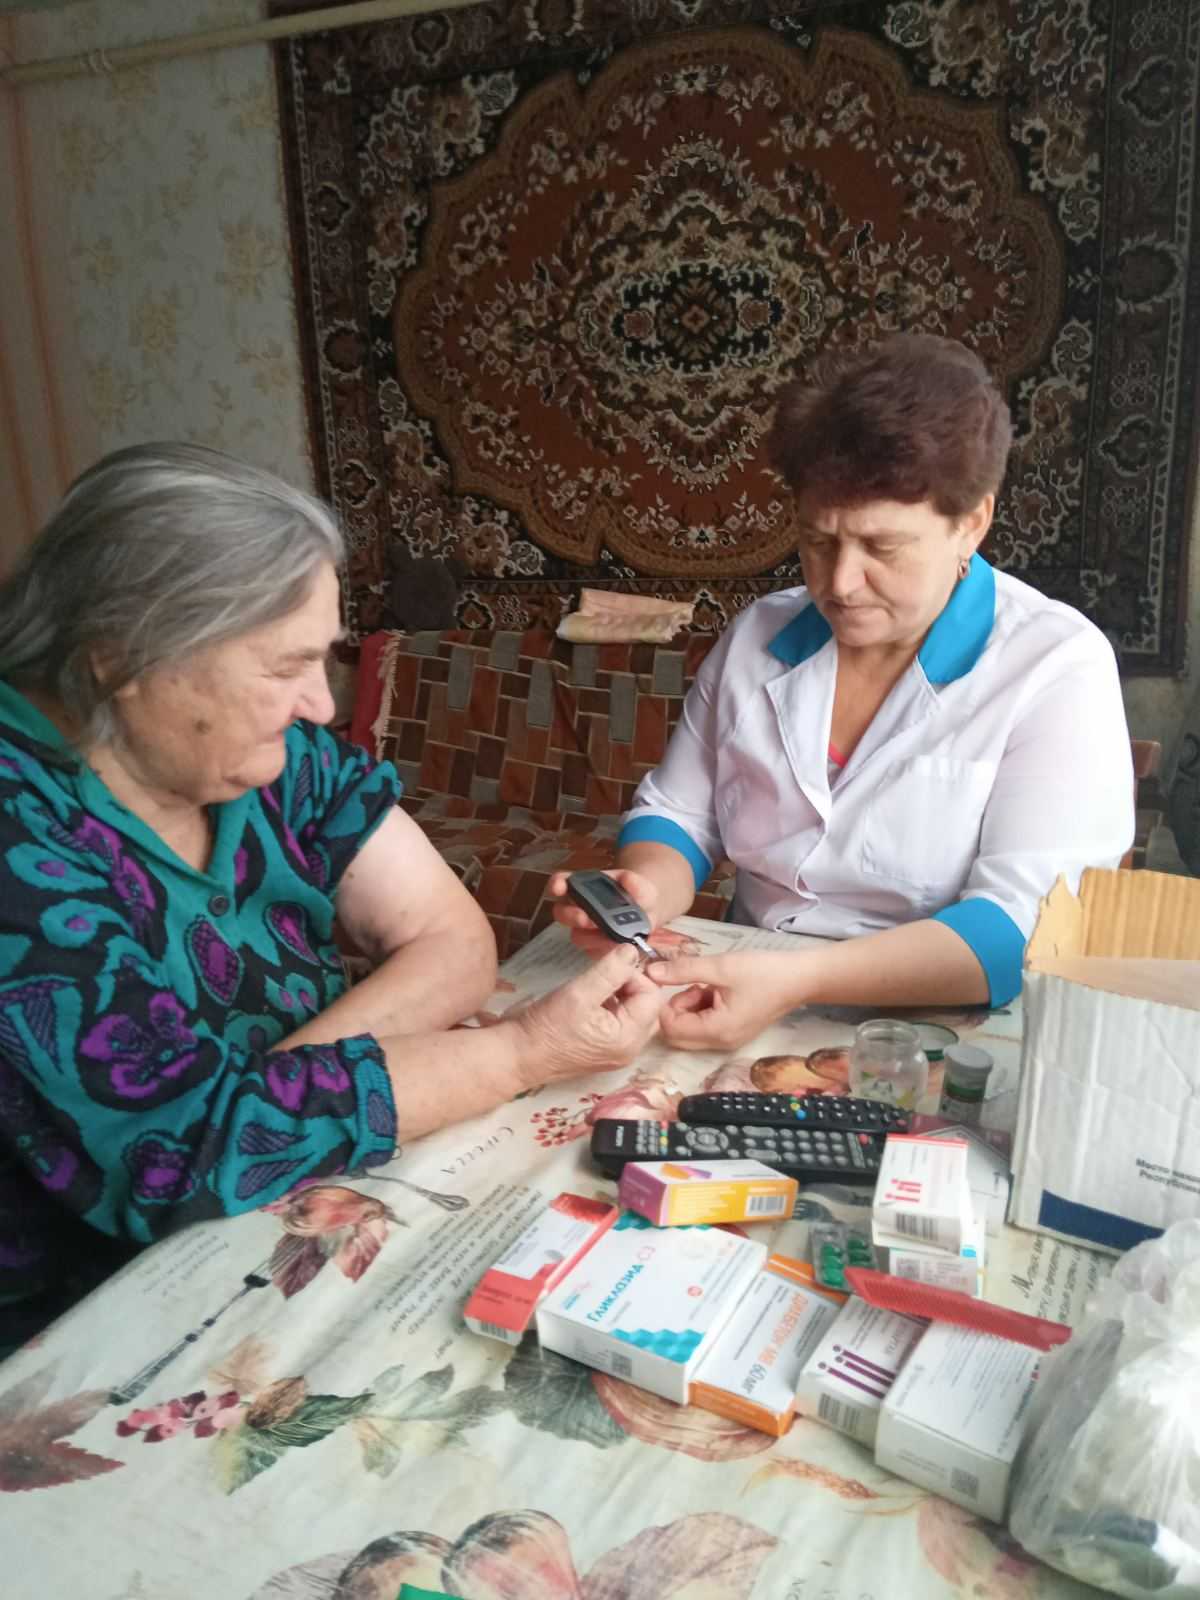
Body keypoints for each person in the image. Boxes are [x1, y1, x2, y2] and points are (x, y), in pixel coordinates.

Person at [0, 444, 659, 1342]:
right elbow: (177, 1163)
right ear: (123, 656)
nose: (319, 703)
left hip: (276, 1207)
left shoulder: (278, 758)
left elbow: (451, 938)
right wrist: (518, 1053)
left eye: (324, 660)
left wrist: (260, 1102)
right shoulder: (20, 831)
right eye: (285, 668)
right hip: (87, 1314)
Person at [551, 334, 1134, 1048]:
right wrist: (643, 892)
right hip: (739, 987)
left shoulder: (1054, 666)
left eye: (882, 547)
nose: (839, 583)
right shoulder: (759, 636)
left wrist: (800, 979)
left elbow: (1022, 930)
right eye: (818, 541)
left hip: (938, 1025)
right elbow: (677, 815)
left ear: (971, 523)